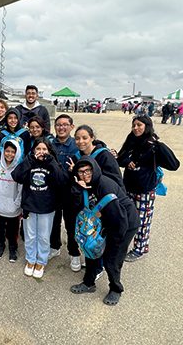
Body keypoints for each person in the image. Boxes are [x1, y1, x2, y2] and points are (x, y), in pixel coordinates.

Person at [69, 157, 140, 306]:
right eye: (81, 172)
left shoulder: (104, 186)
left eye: (88, 170)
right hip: (103, 222)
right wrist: (78, 187)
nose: (85, 174)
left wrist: (113, 244)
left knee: (112, 258)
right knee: (92, 250)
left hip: (124, 223)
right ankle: (89, 283)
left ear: (95, 169)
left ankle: (116, 288)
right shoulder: (84, 185)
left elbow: (120, 220)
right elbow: (76, 206)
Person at [116, 115, 180, 262]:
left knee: (143, 220)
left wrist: (158, 145)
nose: (136, 128)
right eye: (134, 125)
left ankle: (139, 249)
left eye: (139, 125)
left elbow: (174, 165)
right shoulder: (131, 140)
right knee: (126, 218)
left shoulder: (153, 145)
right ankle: (123, 244)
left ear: (147, 126)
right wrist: (127, 161)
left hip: (145, 190)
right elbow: (120, 157)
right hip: (128, 187)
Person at [12, 138, 66, 278]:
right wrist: (29, 160)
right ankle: (30, 260)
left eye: (44, 149)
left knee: (43, 236)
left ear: (49, 151)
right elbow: (16, 176)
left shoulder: (53, 164)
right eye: (38, 149)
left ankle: (41, 261)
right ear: (34, 150)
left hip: (47, 207)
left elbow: (62, 180)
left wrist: (51, 161)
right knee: (30, 236)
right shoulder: (29, 162)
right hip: (30, 206)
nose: (41, 152)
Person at [48, 114, 81, 271]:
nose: (61, 128)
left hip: (70, 192)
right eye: (58, 125)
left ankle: (74, 254)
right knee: (54, 222)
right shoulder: (49, 144)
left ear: (71, 127)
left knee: (71, 224)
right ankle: (55, 247)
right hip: (53, 191)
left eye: (65, 125)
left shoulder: (76, 145)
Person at [0, 140, 23, 262]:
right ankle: (0, 245)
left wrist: (17, 204)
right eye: (7, 151)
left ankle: (13, 247)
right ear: (3, 151)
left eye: (13, 152)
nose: (10, 154)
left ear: (17, 153)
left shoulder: (19, 169)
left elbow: (21, 189)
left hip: (14, 208)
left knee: (13, 230)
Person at [69, 125, 124, 189]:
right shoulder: (75, 158)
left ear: (92, 138)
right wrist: (73, 171)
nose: (81, 141)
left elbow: (115, 180)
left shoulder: (105, 155)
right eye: (77, 138)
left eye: (85, 138)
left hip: (104, 193)